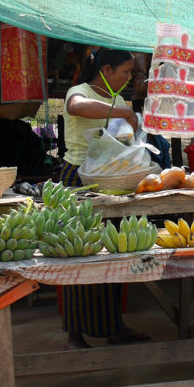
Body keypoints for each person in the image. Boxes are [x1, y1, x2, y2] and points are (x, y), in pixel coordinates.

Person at [59, 47, 147, 349]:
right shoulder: (79, 91)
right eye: (125, 72)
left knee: (113, 251)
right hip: (78, 179)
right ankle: (75, 332)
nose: (128, 78)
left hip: (111, 180)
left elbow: (122, 139)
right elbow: (76, 108)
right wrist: (122, 112)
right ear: (106, 70)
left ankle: (113, 326)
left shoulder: (119, 99)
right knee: (79, 252)